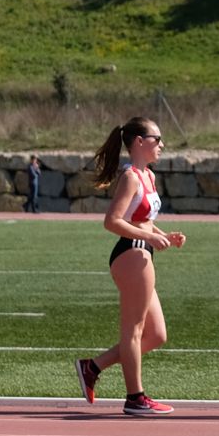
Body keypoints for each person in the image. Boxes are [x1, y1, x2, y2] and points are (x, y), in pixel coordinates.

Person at [72, 117, 183, 415]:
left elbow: (143, 218)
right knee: (133, 331)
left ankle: (93, 367)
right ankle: (135, 397)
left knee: (156, 334)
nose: (162, 144)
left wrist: (163, 234)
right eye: (157, 139)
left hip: (142, 250)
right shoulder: (131, 176)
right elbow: (113, 221)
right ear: (139, 142)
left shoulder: (149, 176)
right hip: (130, 254)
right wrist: (148, 235)